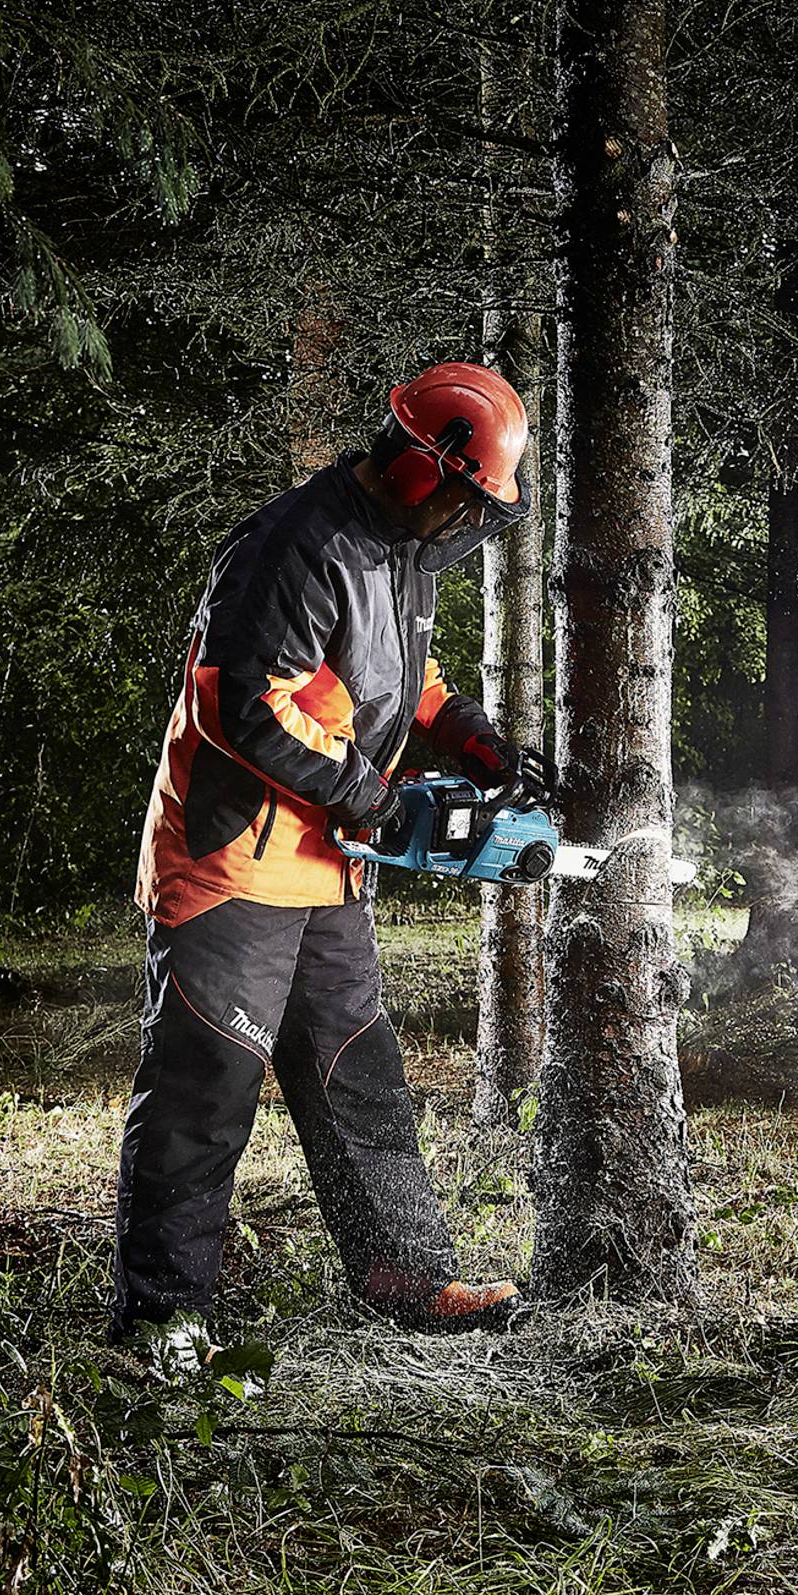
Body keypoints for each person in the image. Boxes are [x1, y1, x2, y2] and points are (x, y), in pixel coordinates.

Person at [113, 361, 554, 1353]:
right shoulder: (294, 545)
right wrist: (374, 796)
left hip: (326, 867)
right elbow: (245, 704)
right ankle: (161, 1321)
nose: (462, 519)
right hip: (232, 863)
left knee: (361, 1079)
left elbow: (411, 680)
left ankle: (405, 1276)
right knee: (205, 1088)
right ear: (416, 464)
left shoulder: (399, 551)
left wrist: (477, 740)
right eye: (461, 496)